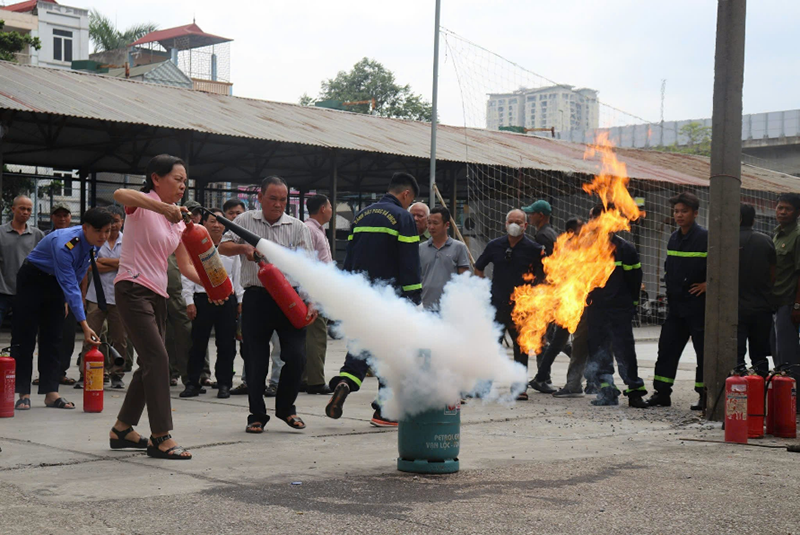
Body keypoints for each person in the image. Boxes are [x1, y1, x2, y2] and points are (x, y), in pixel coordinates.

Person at [110, 154, 223, 460]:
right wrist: (162, 207)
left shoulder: (177, 224)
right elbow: (120, 194)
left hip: (157, 294)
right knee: (158, 359)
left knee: (150, 362)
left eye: (185, 181)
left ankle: (122, 429)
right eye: (177, 179)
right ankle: (160, 436)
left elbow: (185, 265)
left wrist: (212, 287)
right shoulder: (142, 204)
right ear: (156, 179)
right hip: (132, 288)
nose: (183, 186)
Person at [219, 176, 315, 433]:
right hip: (256, 298)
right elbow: (222, 246)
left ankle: (286, 408)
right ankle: (257, 415)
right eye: (272, 198)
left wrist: (312, 302)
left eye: (283, 200)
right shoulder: (244, 221)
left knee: (296, 357)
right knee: (255, 359)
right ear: (259, 197)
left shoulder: (297, 227)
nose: (278, 204)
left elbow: (308, 269)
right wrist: (244, 249)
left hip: (290, 299)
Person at [324, 172, 422, 427]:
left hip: (360, 297)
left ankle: (346, 381)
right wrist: (413, 298)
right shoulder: (403, 217)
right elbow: (409, 262)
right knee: (390, 353)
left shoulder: (362, 215)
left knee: (361, 344)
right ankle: (385, 412)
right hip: (390, 299)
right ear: (406, 195)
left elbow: (349, 257)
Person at [11, 207, 111, 410]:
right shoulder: (65, 244)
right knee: (25, 336)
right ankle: (23, 393)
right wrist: (84, 324)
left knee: (54, 337)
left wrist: (66, 301)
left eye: (107, 231)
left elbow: (78, 273)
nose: (103, 236)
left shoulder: (95, 244)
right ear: (85, 228)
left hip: (57, 284)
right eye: (98, 231)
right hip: (33, 279)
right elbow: (70, 282)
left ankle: (51, 393)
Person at [474, 209, 545, 401]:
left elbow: (546, 273)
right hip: (497, 304)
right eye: (511, 221)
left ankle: (519, 387)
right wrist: (484, 290)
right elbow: (478, 267)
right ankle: (484, 385)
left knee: (521, 347)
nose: (515, 224)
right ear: (505, 224)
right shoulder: (494, 245)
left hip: (522, 307)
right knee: (491, 345)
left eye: (519, 221)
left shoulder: (534, 248)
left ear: (525, 225)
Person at [582, 204, 647, 408]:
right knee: (599, 351)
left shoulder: (625, 249)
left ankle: (634, 392)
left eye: (594, 218)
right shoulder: (586, 248)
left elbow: (634, 279)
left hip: (619, 309)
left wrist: (631, 304)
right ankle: (607, 391)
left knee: (624, 351)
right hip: (596, 310)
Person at [647, 192, 707, 410]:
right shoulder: (674, 237)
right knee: (667, 349)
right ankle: (662, 393)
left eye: (684, 211)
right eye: (676, 211)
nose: (679, 215)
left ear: (695, 213)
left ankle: (704, 395)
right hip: (676, 306)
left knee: (703, 352)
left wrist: (708, 284)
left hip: (698, 306)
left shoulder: (705, 237)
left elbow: (722, 266)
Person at [180, 208, 243, 399]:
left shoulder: (230, 247)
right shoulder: (196, 244)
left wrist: (240, 301)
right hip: (202, 300)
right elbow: (188, 273)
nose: (216, 225)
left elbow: (237, 276)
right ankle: (193, 382)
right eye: (212, 221)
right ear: (204, 223)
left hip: (226, 301)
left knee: (226, 344)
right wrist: (189, 300)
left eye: (220, 222)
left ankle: (224, 383)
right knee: (197, 343)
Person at [529, 217, 589, 397]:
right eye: (581, 228)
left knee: (562, 341)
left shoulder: (583, 248)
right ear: (572, 231)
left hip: (574, 300)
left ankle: (544, 377)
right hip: (568, 299)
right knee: (562, 341)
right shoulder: (569, 248)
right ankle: (586, 378)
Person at [79, 205, 127, 389]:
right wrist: (117, 264)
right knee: (91, 335)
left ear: (122, 221)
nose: (114, 225)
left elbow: (129, 265)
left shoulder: (128, 241)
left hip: (119, 297)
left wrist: (102, 262)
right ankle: (87, 372)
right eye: (111, 221)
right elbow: (89, 266)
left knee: (119, 338)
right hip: (95, 296)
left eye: (117, 220)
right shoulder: (97, 240)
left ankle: (117, 373)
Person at [738, 203, 775, 376]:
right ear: (753, 220)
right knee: (760, 356)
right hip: (762, 307)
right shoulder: (766, 240)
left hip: (735, 309)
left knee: (736, 357)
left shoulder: (726, 241)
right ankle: (761, 392)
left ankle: (736, 393)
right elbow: (773, 273)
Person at [302, 194, 334, 395]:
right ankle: (315, 380)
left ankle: (306, 378)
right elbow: (307, 263)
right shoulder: (309, 230)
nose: (331, 209)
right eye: (330, 206)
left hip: (320, 288)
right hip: (314, 291)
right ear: (323, 208)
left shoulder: (317, 230)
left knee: (311, 336)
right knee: (316, 336)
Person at [47, 204, 81, 385]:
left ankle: (61, 372)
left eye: (65, 215)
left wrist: (78, 297)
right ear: (52, 217)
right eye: (58, 215)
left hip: (69, 293)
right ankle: (46, 373)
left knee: (67, 336)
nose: (61, 219)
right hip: (48, 293)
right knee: (48, 334)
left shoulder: (77, 239)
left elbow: (82, 271)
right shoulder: (45, 237)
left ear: (70, 217)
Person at [770, 193, 800, 403]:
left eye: (787, 209)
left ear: (797, 213)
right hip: (776, 302)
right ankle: (783, 399)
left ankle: (794, 401)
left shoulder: (797, 236)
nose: (782, 212)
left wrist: (797, 305)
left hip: (789, 303)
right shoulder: (777, 233)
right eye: (779, 208)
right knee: (778, 353)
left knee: (789, 356)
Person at [0, 195, 44, 326]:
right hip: (2, 291)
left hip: (26, 292)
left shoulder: (38, 235)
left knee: (23, 332)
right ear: (13, 209)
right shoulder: (1, 232)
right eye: (22, 208)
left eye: (29, 209)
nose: (25, 212)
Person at [222, 198, 250, 396]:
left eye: (239, 213)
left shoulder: (249, 237)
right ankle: (226, 381)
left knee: (248, 344)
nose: (235, 217)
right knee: (227, 343)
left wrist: (240, 300)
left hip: (242, 298)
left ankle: (251, 380)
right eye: (231, 213)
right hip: (224, 299)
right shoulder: (226, 243)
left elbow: (240, 276)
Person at [420, 206, 471, 310]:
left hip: (450, 308)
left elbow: (464, 279)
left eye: (435, 223)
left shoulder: (459, 247)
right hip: (425, 306)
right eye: (429, 223)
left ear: (447, 225)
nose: (431, 227)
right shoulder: (420, 248)